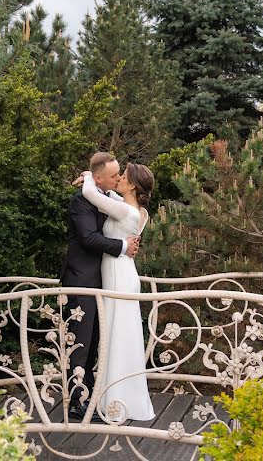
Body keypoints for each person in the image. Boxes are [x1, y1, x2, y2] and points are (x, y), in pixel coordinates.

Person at [59, 152, 140, 421]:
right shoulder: (81, 202)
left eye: (120, 174)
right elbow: (89, 238)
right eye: (114, 174)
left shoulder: (104, 199)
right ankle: (75, 402)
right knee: (79, 343)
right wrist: (122, 247)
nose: (118, 178)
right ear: (99, 178)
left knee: (94, 343)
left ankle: (90, 396)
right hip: (81, 280)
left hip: (104, 281)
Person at [75, 161, 156, 422]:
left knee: (117, 338)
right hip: (122, 273)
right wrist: (95, 178)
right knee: (121, 337)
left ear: (132, 184)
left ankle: (116, 401)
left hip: (118, 277)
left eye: (123, 176)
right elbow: (106, 195)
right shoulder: (139, 212)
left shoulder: (126, 212)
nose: (119, 178)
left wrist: (89, 177)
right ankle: (117, 398)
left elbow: (90, 194)